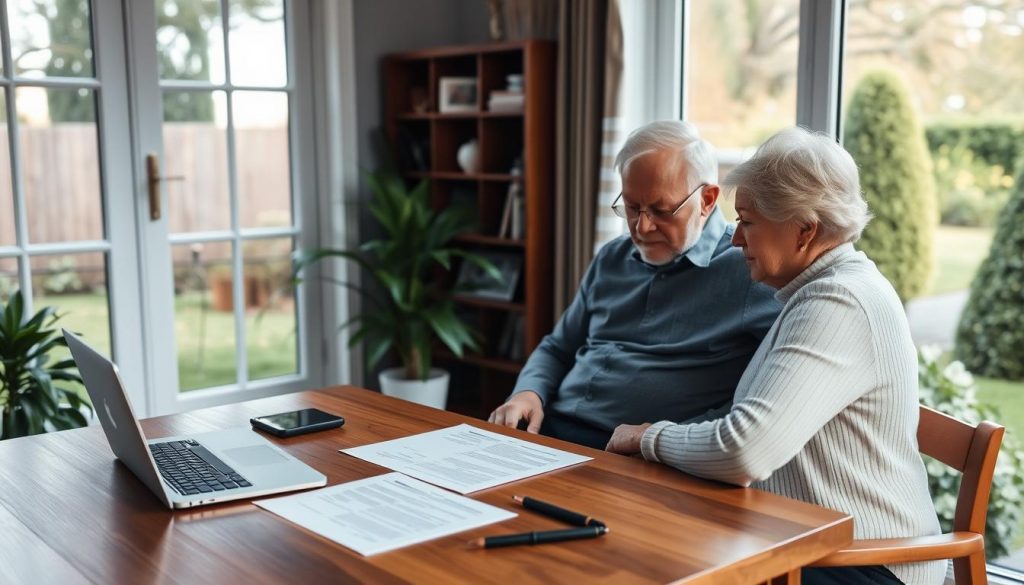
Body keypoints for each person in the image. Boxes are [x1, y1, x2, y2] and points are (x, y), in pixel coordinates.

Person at [605, 127, 944, 585]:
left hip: (866, 563)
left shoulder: (840, 303)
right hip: (808, 540)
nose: (734, 239)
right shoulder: (815, 293)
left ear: (805, 230)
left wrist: (648, 437)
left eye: (747, 221)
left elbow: (745, 450)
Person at [488, 120, 781, 449]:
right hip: (547, 428)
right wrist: (528, 393)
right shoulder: (612, 257)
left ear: (707, 200)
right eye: (631, 207)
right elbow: (558, 347)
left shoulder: (749, 270)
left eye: (661, 210)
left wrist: (671, 442)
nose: (641, 227)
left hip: (638, 456)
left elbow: (761, 404)